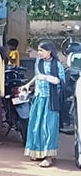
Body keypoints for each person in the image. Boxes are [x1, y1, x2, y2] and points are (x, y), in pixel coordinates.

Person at [20, 40, 64, 168]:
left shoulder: (57, 65)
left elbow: (59, 81)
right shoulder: (38, 62)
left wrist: (46, 77)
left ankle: (48, 157)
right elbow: (37, 76)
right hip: (39, 98)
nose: (38, 53)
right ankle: (37, 152)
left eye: (41, 50)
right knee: (36, 125)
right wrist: (28, 84)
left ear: (49, 51)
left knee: (48, 127)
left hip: (50, 100)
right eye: (38, 50)